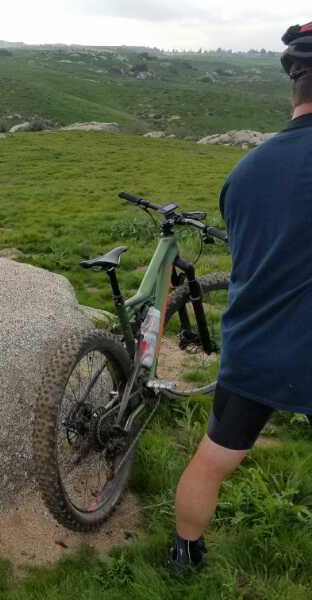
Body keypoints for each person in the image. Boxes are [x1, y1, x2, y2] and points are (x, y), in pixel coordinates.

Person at [168, 21, 312, 572]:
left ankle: (185, 553)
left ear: (292, 87)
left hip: (255, 343)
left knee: (213, 459)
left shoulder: (245, 170)